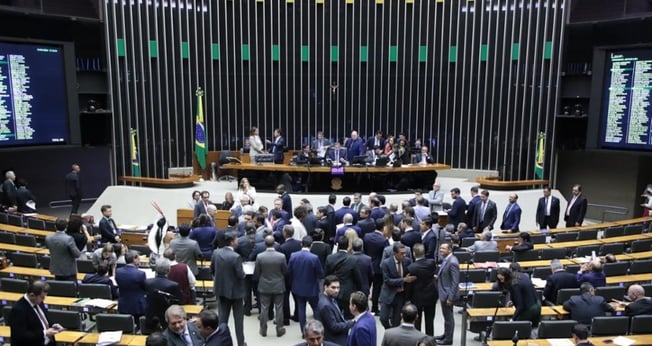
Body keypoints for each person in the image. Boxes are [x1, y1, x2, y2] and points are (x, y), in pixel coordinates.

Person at [211, 231, 246, 346]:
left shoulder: (216, 253)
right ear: (231, 242)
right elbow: (240, 275)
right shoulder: (236, 257)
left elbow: (212, 270)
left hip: (221, 291)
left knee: (222, 319)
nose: (237, 241)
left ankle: (220, 342)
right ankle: (240, 342)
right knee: (238, 321)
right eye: (236, 239)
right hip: (236, 292)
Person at [8, 280, 64, 345]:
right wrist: (45, 333)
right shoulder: (18, 310)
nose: (43, 299)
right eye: (42, 297)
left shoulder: (38, 301)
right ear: (32, 295)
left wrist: (53, 325)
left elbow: (43, 319)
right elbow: (20, 336)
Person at [288, 236, 324, 334]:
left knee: (301, 309)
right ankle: (318, 329)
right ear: (311, 245)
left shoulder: (293, 256)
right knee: (316, 309)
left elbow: (289, 271)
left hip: (298, 287)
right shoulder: (314, 258)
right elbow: (320, 273)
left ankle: (304, 332)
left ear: (301, 244)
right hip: (312, 288)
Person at [254, 235, 287, 337]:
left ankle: (263, 330)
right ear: (274, 243)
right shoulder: (281, 256)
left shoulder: (260, 256)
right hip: (278, 285)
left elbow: (257, 272)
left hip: (264, 285)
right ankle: (279, 329)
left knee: (264, 308)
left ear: (265, 244)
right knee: (279, 308)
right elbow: (285, 271)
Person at [325, 237, 363, 319]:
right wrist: (359, 291)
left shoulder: (330, 258)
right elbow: (358, 278)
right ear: (348, 246)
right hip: (347, 293)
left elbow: (326, 275)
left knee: (334, 316)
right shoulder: (353, 259)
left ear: (338, 245)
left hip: (333, 290)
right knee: (348, 317)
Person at [379, 242, 415, 329]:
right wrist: (403, 280)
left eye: (405, 253)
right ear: (394, 253)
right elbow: (387, 280)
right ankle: (389, 331)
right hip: (388, 294)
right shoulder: (386, 263)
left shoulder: (407, 261)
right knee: (383, 318)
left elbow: (410, 275)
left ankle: (393, 335)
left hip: (400, 296)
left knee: (397, 320)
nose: (404, 255)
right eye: (402, 253)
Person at [406, 243, 437, 336]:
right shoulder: (432, 263)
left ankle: (418, 341)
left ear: (414, 253)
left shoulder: (411, 268)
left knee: (417, 321)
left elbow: (409, 285)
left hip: (417, 297)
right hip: (431, 296)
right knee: (430, 321)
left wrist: (407, 299)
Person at [144, 259, 184, 331]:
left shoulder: (147, 282)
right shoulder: (173, 285)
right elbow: (180, 301)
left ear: (155, 270)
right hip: (167, 319)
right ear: (169, 270)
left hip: (151, 317)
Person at [316, 275, 354, 345]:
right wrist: (351, 323)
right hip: (333, 340)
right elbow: (334, 327)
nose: (336, 290)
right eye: (333, 288)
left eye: (338, 288)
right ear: (325, 287)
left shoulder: (331, 298)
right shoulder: (326, 305)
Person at [435, 243, 459, 345]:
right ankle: (446, 334)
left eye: (443, 248)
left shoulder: (452, 262)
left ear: (449, 250)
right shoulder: (447, 259)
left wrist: (450, 297)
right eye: (440, 248)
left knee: (449, 318)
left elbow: (455, 282)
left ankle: (448, 339)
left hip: (448, 294)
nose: (441, 250)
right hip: (444, 292)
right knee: (446, 317)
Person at [115, 250, 147, 322]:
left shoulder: (118, 271)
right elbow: (144, 288)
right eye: (138, 258)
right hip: (137, 306)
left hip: (123, 305)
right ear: (134, 259)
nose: (139, 260)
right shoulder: (140, 274)